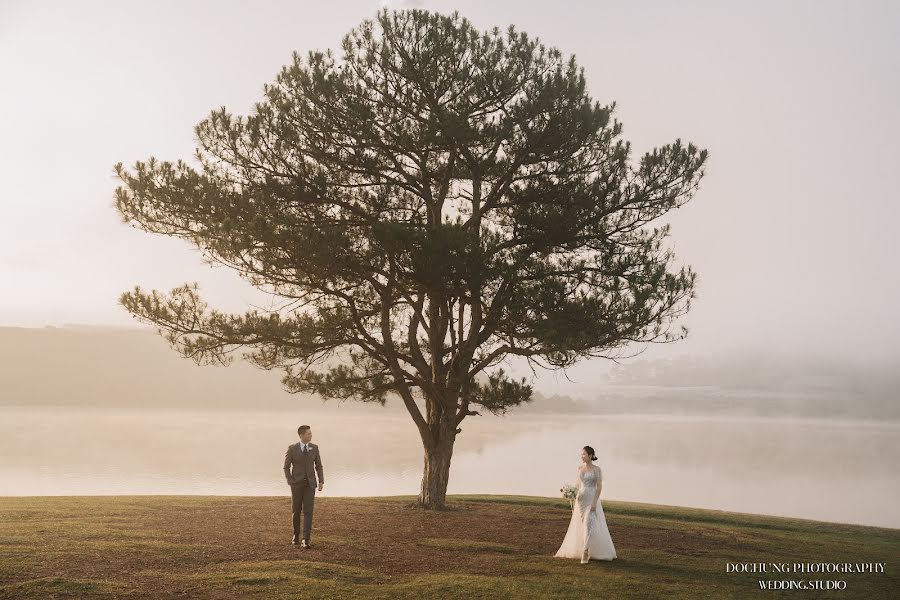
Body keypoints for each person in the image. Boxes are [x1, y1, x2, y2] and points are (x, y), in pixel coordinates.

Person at [554, 445, 617, 563]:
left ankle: (585, 552)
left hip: (591, 499)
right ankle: (584, 548)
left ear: (591, 456)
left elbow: (599, 488)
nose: (582, 456)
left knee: (589, 524)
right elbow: (577, 485)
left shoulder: (597, 470)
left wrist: (594, 503)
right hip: (580, 500)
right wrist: (570, 493)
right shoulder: (579, 468)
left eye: (584, 454)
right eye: (581, 454)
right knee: (582, 525)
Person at [283, 425, 324, 548]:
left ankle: (306, 539)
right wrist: (291, 481)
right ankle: (296, 535)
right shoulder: (292, 449)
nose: (311, 435)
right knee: (296, 511)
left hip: (310, 485)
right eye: (308, 434)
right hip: (296, 484)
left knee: (308, 511)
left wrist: (321, 481)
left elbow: (319, 466)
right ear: (301, 435)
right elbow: (286, 467)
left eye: (311, 433)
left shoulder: (315, 448)